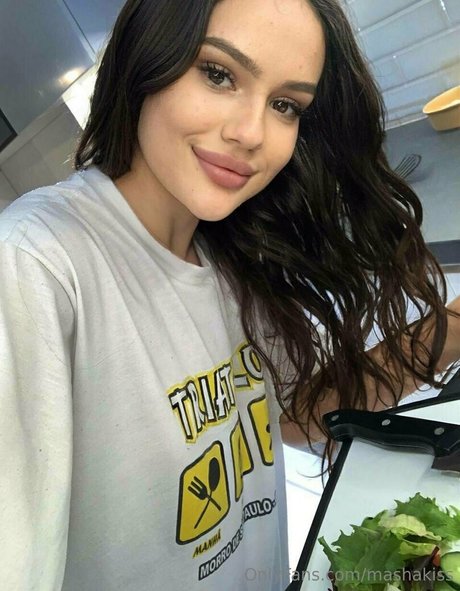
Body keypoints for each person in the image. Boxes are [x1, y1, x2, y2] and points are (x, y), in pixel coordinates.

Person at [0, 0, 459, 589]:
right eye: (218, 74)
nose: (251, 133)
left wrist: (452, 329)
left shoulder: (227, 253)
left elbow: (295, 416)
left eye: (285, 105)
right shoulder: (35, 265)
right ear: (145, 60)